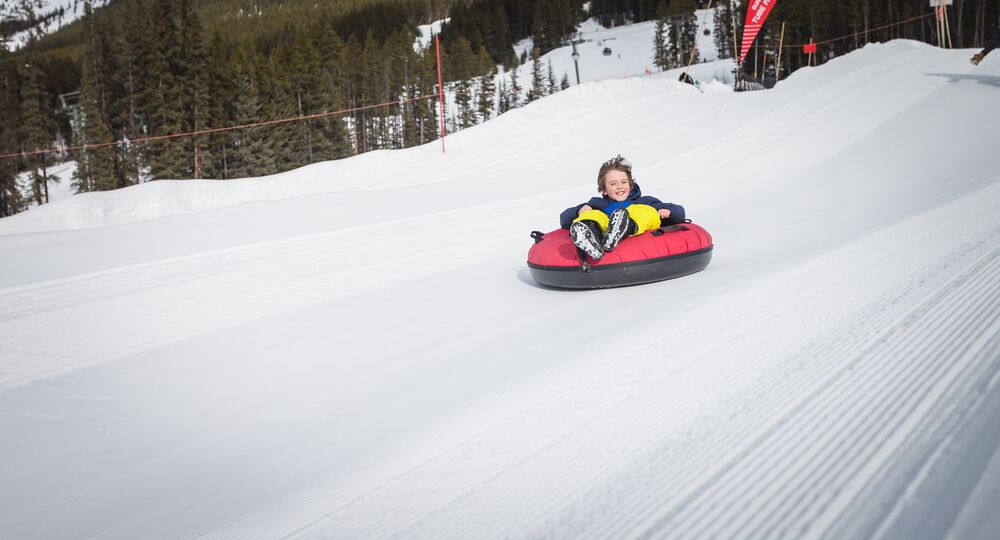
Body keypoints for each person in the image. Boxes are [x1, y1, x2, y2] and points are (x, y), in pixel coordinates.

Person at [560, 155, 685, 261]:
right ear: (604, 190)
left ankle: (626, 224)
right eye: (613, 184)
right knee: (593, 215)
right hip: (606, 228)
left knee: (645, 212)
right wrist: (580, 210)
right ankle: (590, 234)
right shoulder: (597, 204)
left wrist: (667, 212)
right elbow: (564, 219)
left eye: (624, 182)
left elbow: (680, 213)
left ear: (630, 185)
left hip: (636, 223)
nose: (620, 187)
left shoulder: (644, 201)